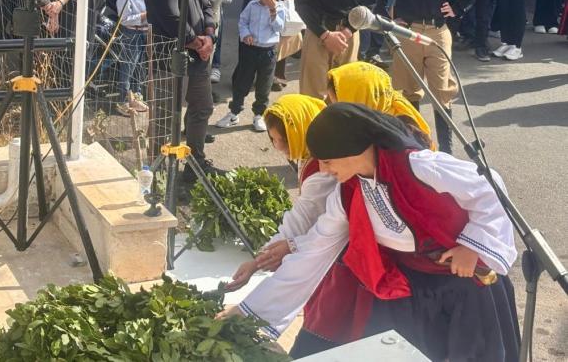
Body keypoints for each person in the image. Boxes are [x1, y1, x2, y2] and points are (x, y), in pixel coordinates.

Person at [222, 102, 519, 361]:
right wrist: (248, 312)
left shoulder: (417, 165)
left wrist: (472, 247)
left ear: (352, 148)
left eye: (327, 160)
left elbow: (489, 185)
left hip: (464, 282)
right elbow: (312, 254)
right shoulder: (348, 193)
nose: (323, 170)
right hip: (411, 287)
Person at [378, 0, 481, 154]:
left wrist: (457, 8)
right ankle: (414, 146)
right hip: (408, 30)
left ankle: (446, 149)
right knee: (408, 90)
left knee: (441, 90)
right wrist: (386, 18)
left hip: (437, 31)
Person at [224, 94, 336, 291]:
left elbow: (301, 219)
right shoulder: (309, 152)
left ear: (301, 131)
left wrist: (259, 262)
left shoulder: (323, 171)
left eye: (283, 139)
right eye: (272, 139)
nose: (277, 146)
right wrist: (257, 262)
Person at [142, 0, 221, 183]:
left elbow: (206, 5)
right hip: (168, 59)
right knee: (165, 119)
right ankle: (158, 175)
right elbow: (171, 19)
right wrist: (199, 43)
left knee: (202, 107)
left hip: (199, 55)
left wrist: (209, 35)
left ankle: (195, 166)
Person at [215, 0, 285, 132]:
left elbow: (279, 28)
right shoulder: (252, 6)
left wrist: (273, 10)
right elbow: (243, 21)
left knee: (264, 85)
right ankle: (234, 112)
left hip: (268, 52)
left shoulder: (280, 8)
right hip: (250, 50)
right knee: (242, 82)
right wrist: (245, 34)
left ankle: (259, 114)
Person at [326, 62, 431, 141]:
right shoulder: (381, 115)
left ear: (361, 99)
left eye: (336, 103)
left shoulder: (391, 139)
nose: (332, 108)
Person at [115, 0, 149, 114]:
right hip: (131, 33)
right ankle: (123, 100)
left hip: (144, 33)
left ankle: (136, 96)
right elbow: (124, 20)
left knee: (140, 67)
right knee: (128, 66)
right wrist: (143, 16)